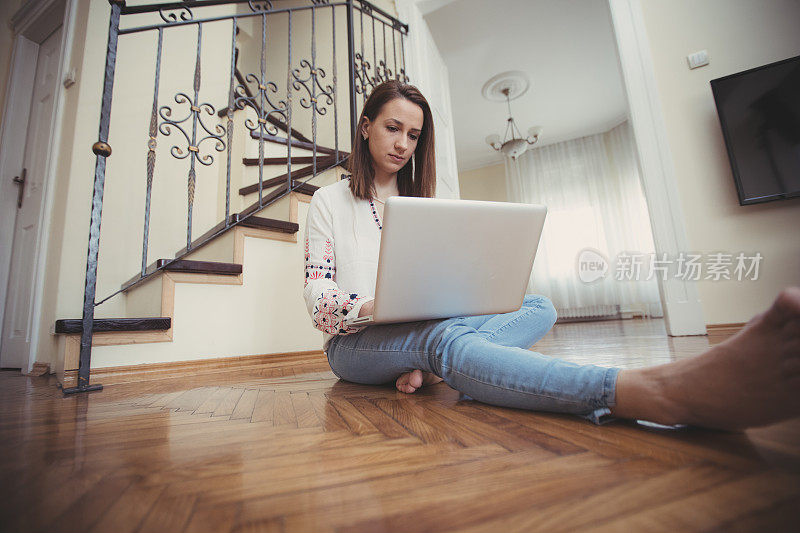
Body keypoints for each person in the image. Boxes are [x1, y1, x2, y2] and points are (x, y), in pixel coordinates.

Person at [303, 79, 800, 431]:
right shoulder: (327, 203)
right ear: (366, 127)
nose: (403, 144)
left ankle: (438, 366)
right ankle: (644, 391)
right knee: (442, 337)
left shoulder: (423, 206)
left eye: (414, 135)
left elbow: (447, 279)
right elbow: (318, 296)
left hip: (431, 322)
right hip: (356, 345)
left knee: (539, 306)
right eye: (393, 128)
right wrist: (373, 307)